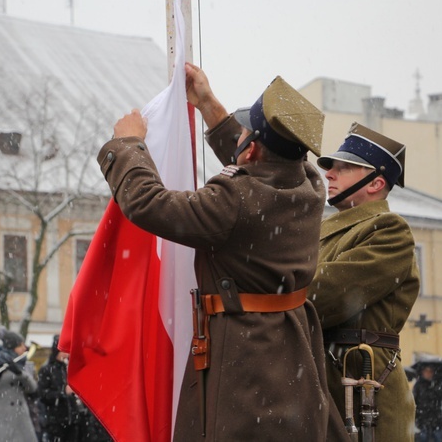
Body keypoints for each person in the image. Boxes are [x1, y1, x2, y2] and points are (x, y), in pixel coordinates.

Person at [103, 63, 346, 440]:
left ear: (249, 152)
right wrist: (208, 105)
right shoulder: (308, 182)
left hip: (246, 352)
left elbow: (150, 204)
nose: (241, 134)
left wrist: (128, 146)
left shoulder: (236, 200)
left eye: (246, 132)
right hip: (290, 346)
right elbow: (268, 160)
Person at [307, 122, 420, 440]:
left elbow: (325, 294)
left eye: (343, 168)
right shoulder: (323, 231)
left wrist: (266, 298)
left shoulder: (389, 229)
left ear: (376, 182)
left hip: (364, 387)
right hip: (330, 380)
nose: (329, 173)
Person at [0, 330, 37, 442]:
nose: (24, 348)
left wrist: (20, 374)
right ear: (12, 347)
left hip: (21, 417)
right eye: (21, 345)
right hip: (1, 418)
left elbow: (32, 388)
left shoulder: (22, 364)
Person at [37, 336, 77, 442]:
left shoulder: (68, 368)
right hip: (56, 421)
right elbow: (43, 394)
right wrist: (63, 393)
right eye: (63, 351)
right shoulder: (47, 370)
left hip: (72, 420)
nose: (66, 355)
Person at [413, 366, 442, 442]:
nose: (428, 374)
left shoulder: (437, 384)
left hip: (436, 419)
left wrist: (437, 387)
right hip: (422, 419)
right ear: (422, 373)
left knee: (438, 438)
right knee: (423, 438)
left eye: (430, 372)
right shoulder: (419, 385)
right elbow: (413, 400)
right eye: (426, 371)